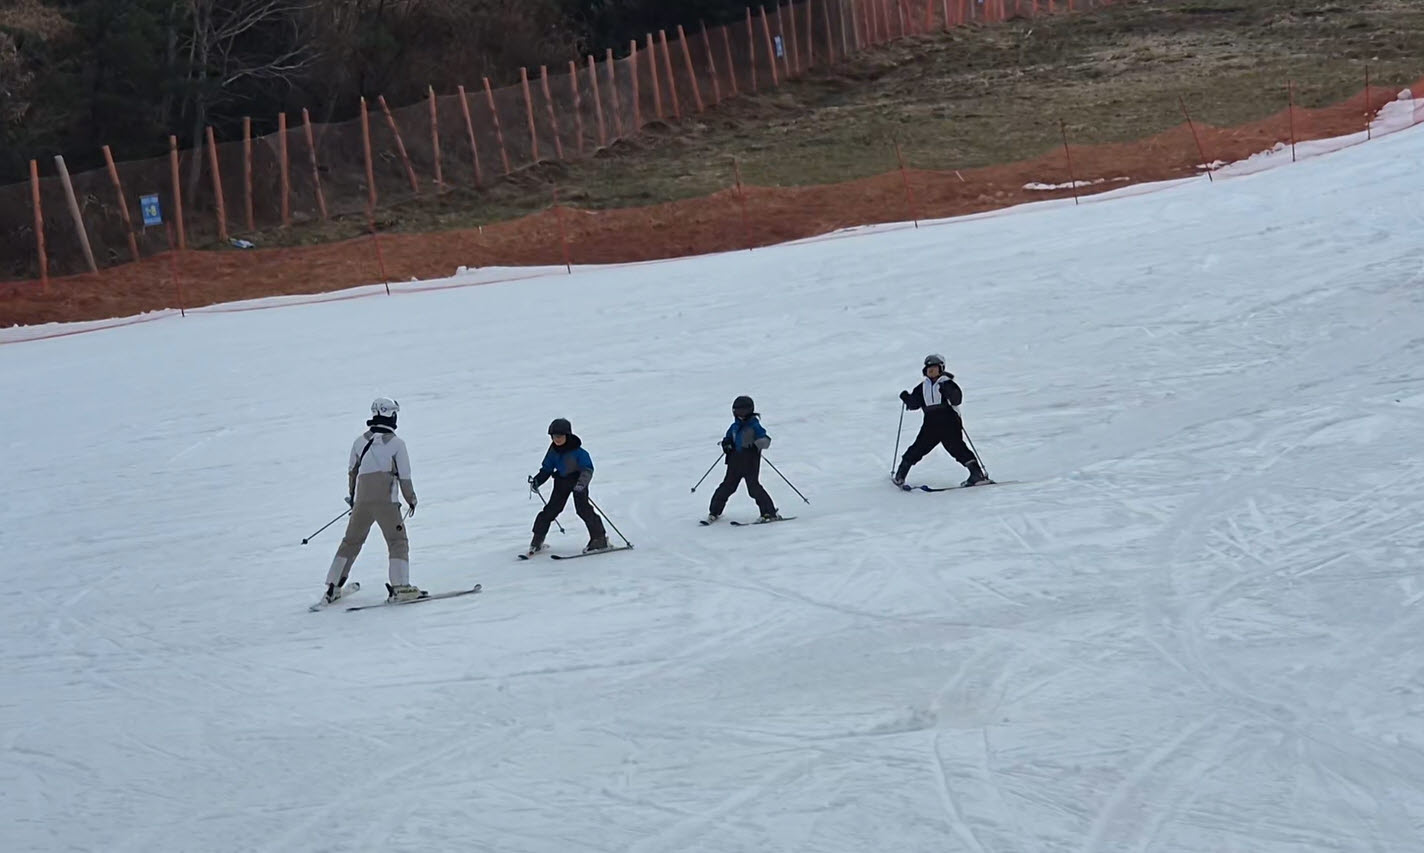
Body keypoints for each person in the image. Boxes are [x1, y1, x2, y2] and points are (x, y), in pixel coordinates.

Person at [324, 397, 422, 603]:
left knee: (350, 542)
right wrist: (411, 499)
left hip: (361, 503)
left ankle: (333, 586)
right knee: (397, 541)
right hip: (387, 504)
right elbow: (404, 476)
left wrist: (353, 500)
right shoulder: (397, 444)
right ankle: (401, 588)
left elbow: (353, 473)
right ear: (391, 415)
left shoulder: (359, 442)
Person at [894, 354, 989, 488]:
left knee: (957, 448)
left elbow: (957, 400)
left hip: (949, 422)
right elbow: (914, 404)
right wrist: (907, 399)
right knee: (918, 448)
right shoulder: (922, 387)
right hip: (931, 423)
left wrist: (948, 391)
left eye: (934, 368)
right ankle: (900, 476)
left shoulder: (947, 383)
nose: (931, 371)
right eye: (929, 368)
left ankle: (977, 475)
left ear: (941, 369)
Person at [529, 418, 609, 554]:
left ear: (567, 435)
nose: (557, 439)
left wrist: (581, 485)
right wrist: (537, 480)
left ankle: (599, 539)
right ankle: (537, 540)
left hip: (578, 483)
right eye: (554, 436)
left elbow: (587, 470)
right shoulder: (553, 451)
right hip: (561, 482)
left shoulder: (579, 452)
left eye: (560, 436)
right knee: (550, 510)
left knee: (583, 510)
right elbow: (547, 468)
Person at [706, 395, 780, 523]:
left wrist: (756, 444)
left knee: (753, 488)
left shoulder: (754, 425)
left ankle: (769, 512)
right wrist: (727, 444)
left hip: (750, 461)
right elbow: (728, 438)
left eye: (743, 411)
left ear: (750, 410)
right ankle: (714, 512)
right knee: (727, 487)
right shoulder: (735, 426)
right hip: (735, 461)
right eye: (737, 411)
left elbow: (765, 440)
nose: (740, 414)